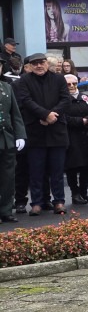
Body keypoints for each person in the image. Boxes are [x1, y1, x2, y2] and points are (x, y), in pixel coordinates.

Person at [14, 53, 71, 215]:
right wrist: (45, 115)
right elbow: (26, 101)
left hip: (57, 131)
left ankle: (59, 201)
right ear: (30, 66)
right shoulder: (24, 81)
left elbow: (66, 100)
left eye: (42, 63)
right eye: (35, 63)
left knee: (57, 172)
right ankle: (36, 203)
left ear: (47, 64)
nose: (39, 66)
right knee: (36, 171)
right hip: (35, 131)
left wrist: (52, 115)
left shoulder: (59, 79)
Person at [63, 74, 88, 205]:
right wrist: (80, 121)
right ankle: (75, 193)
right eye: (68, 84)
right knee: (72, 166)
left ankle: (84, 192)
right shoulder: (62, 99)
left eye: (74, 83)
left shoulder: (85, 97)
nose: (72, 86)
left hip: (86, 136)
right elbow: (63, 117)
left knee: (87, 165)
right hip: (71, 136)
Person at [0, 72, 26, 223]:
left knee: (8, 176)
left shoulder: (6, 87)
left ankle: (6, 210)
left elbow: (15, 114)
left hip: (6, 138)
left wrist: (20, 134)